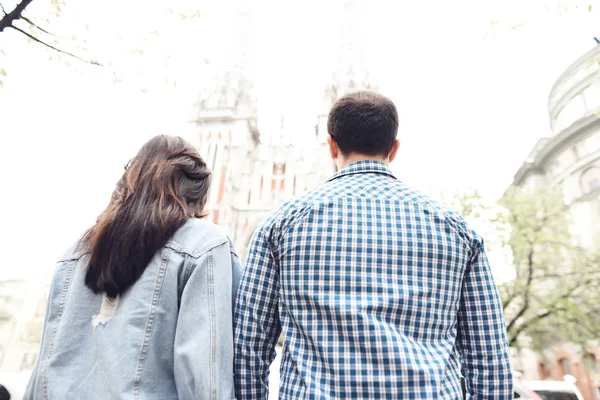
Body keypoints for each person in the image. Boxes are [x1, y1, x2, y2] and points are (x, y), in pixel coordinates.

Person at [233, 91, 513, 399]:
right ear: (394, 149)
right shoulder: (458, 232)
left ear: (331, 145)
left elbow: (248, 349)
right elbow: (489, 361)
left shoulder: (279, 226)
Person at [24, 135, 241, 400]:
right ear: (196, 192)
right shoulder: (204, 245)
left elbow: (43, 371)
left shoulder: (73, 255)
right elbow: (206, 381)